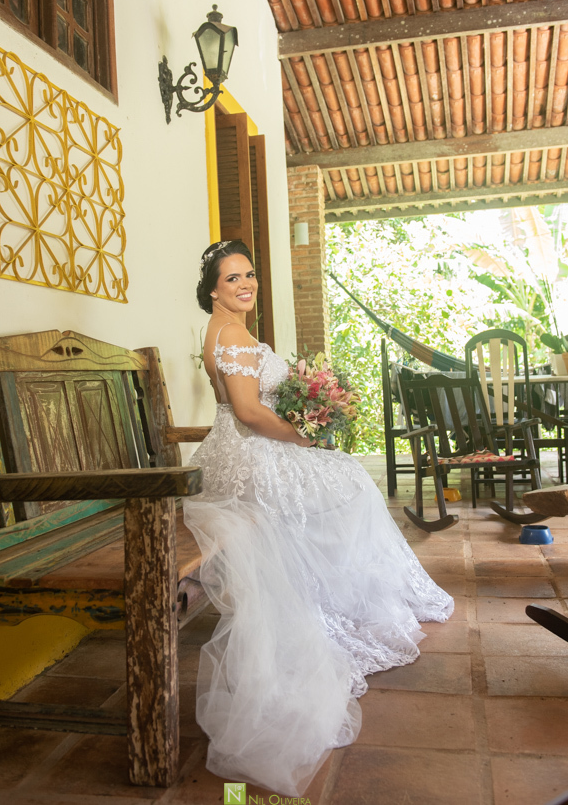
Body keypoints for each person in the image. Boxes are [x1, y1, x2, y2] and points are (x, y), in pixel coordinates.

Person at [183, 240, 453, 796]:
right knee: (350, 481)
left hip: (247, 448)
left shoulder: (228, 329)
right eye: (233, 279)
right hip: (250, 455)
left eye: (250, 274)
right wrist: (306, 437)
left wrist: (308, 422)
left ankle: (334, 595)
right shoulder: (229, 334)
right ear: (214, 289)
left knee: (345, 480)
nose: (245, 284)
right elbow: (252, 412)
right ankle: (338, 601)